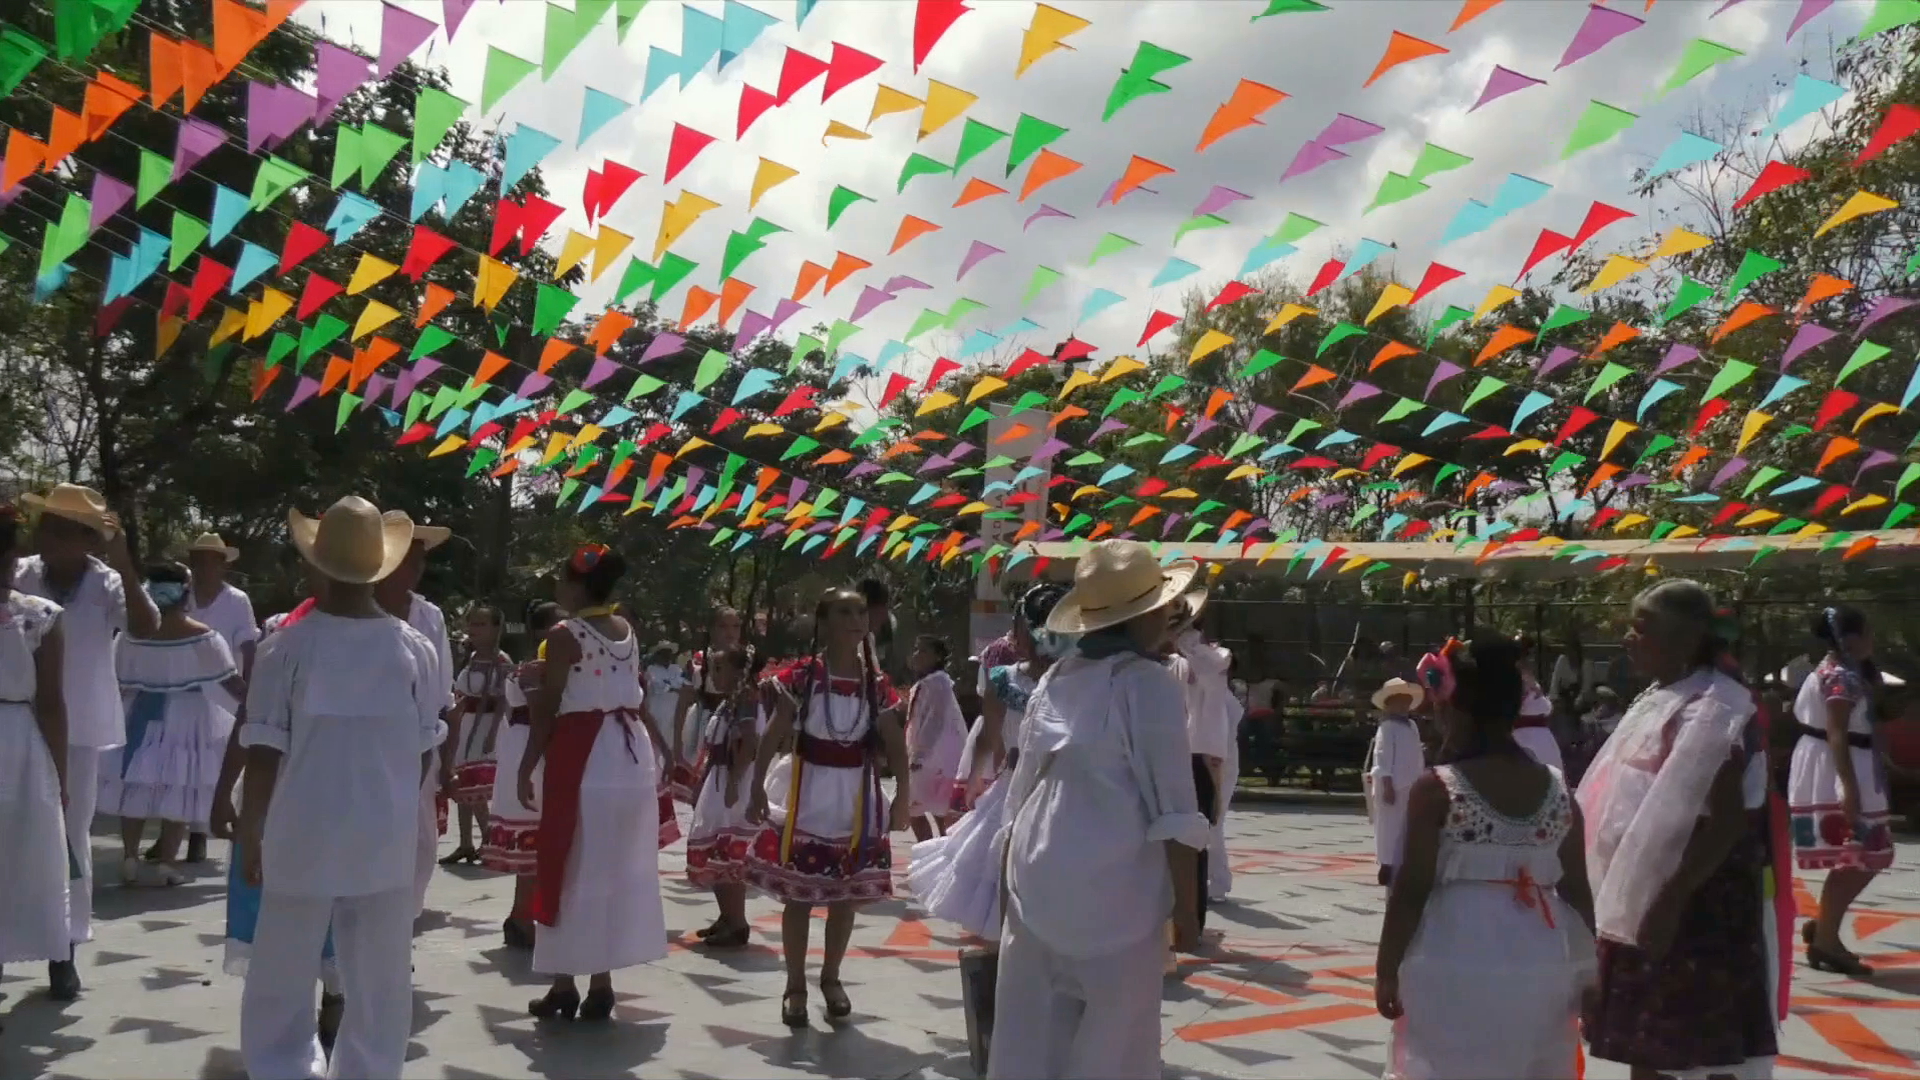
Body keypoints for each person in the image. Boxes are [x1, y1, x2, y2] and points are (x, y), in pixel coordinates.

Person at [237, 497, 443, 1080]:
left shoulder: (285, 647)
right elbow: (426, 747)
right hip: (383, 830)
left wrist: (253, 830)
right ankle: (370, 1070)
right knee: (380, 974)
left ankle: (280, 1068)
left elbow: (263, 751)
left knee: (282, 966)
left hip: (302, 828)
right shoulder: (415, 649)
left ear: (317, 566)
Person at [987, 539, 1208, 1080]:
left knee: (1029, 1039)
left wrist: (1002, 881)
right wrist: (1187, 914)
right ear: (1144, 614)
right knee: (1117, 1042)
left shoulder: (1055, 680)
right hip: (1115, 889)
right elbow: (1175, 808)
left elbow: (1019, 798)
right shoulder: (1149, 684)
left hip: (1035, 879)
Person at [1579, 580, 1779, 1078]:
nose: (1628, 639)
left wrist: (1669, 900)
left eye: (1640, 630)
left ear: (1683, 640)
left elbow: (1725, 819)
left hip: (1695, 895)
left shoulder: (1713, 707)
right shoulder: (1667, 695)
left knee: (1687, 1043)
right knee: (1653, 1043)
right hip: (1655, 887)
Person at [1376, 635, 1596, 1080]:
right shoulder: (1559, 790)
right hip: (1542, 955)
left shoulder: (1437, 787)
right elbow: (1576, 889)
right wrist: (1588, 974)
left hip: (1455, 949)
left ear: (1452, 707)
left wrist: (1386, 968)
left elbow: (1412, 887)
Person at [15, 483, 159, 999]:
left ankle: (64, 950)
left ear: (88, 540)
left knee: (70, 837)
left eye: (65, 529)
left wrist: (126, 566)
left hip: (80, 730)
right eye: (47, 525)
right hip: (16, 719)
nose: (50, 536)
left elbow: (144, 628)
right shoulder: (20, 572)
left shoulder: (108, 582)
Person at [745, 585, 910, 1027]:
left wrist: (904, 797)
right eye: (845, 611)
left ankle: (832, 978)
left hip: (856, 796)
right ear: (825, 621)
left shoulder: (876, 684)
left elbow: (895, 742)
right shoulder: (802, 677)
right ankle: (795, 984)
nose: (857, 620)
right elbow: (775, 731)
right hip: (809, 791)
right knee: (799, 897)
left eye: (861, 611)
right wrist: (757, 785)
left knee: (844, 897)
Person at [516, 545, 667, 1021]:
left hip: (586, 754)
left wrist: (525, 762)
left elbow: (551, 707)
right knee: (613, 865)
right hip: (627, 756)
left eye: (561, 580)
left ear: (578, 585)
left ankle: (565, 983)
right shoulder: (627, 629)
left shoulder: (564, 634)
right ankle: (601, 983)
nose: (557, 588)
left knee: (571, 859)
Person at [217, 569, 345, 1063]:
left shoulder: (395, 641)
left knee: (337, 904)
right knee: (277, 908)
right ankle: (287, 1041)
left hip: (341, 794)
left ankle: (335, 993)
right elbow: (255, 724)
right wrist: (230, 796)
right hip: (283, 792)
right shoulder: (282, 636)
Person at [911, 583, 1069, 940]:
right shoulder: (1008, 678)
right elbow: (989, 737)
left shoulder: (1070, 679)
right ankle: (1009, 931)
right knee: (1002, 857)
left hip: (1049, 784)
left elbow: (992, 738)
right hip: (1020, 782)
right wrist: (975, 781)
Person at [99, 563, 242, 887]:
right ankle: (166, 862)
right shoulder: (203, 636)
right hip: (188, 715)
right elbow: (230, 682)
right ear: (185, 594)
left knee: (135, 783)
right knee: (180, 784)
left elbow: (117, 679)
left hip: (140, 711)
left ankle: (130, 856)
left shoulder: (131, 637)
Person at [1788, 605, 1892, 978]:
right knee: (1863, 854)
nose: (1872, 641)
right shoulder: (1840, 676)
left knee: (1858, 857)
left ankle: (1826, 929)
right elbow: (1837, 732)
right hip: (1840, 765)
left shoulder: (1840, 672)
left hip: (1839, 762)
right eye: (1866, 633)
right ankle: (1827, 936)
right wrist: (1847, 786)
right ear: (1849, 639)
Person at [0, 500, 74, 991]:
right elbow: (50, 703)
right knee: (19, 856)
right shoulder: (39, 616)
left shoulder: (40, 616)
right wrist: (60, 775)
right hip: (18, 744)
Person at [373, 512, 454, 921]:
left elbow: (441, 691)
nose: (417, 568)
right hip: (366, 738)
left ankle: (404, 913)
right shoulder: (356, 608)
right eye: (409, 557)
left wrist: (444, 756)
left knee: (419, 835)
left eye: (422, 559)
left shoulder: (430, 616)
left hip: (420, 738)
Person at [175, 531, 256, 865]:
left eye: (212, 561)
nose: (205, 567)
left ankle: (199, 833)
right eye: (199, 561)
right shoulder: (181, 597)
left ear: (222, 565)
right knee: (179, 762)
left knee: (212, 764)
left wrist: (252, 686)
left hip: (223, 690)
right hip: (181, 688)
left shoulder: (237, 600)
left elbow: (249, 642)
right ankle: (175, 830)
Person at [483, 601, 559, 949]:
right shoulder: (531, 671)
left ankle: (523, 915)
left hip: (536, 750)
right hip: (530, 752)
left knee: (542, 842)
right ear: (542, 632)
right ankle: (522, 917)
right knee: (533, 840)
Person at [682, 644, 763, 947]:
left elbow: (749, 742)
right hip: (719, 778)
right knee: (716, 848)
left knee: (727, 850)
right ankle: (726, 917)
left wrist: (734, 781)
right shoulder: (730, 700)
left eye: (720, 668)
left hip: (732, 782)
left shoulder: (746, 700)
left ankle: (737, 921)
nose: (713, 674)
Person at [1169, 593, 1232, 928]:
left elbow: (1205, 670)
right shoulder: (1168, 659)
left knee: (1208, 825)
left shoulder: (1218, 655)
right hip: (1180, 747)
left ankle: (1211, 891)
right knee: (1181, 826)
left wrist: (1187, 642)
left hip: (1208, 750)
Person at [439, 603, 519, 866]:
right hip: (466, 723)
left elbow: (504, 700)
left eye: (481, 624)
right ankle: (465, 843)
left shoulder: (502, 661)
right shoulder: (471, 659)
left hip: (487, 726)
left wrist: (492, 732)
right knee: (462, 783)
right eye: (472, 624)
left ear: (496, 629)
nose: (474, 629)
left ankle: (489, 839)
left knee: (477, 786)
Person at [1365, 677, 1427, 888]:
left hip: (1411, 781)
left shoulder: (1411, 725)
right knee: (1388, 825)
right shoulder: (1387, 727)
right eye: (1400, 701)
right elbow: (1382, 757)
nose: (1405, 705)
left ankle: (1403, 862)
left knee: (1407, 824)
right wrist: (1387, 782)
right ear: (1390, 703)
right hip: (1392, 783)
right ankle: (1387, 864)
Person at [905, 634, 967, 841]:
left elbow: (934, 721)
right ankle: (932, 854)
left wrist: (919, 756)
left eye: (923, 651)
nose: (916, 655)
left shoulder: (938, 683)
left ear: (937, 656)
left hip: (935, 758)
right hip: (929, 757)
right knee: (924, 810)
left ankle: (935, 856)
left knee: (928, 811)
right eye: (916, 649)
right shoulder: (928, 683)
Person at [1515, 638, 1565, 772]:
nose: (1531, 659)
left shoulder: (1529, 678)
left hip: (1543, 739)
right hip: (1525, 739)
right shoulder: (1517, 680)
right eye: (1527, 655)